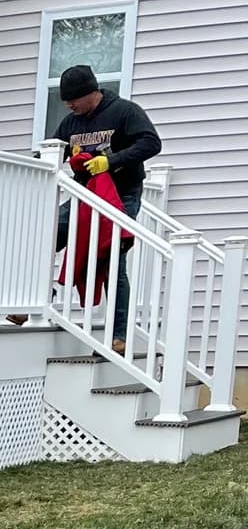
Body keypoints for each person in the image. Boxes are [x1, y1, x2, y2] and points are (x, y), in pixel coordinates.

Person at [51, 63, 162, 346]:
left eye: (73, 99)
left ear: (91, 92)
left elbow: (151, 143)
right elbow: (50, 151)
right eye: (65, 100)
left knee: (113, 259)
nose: (69, 105)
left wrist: (111, 161)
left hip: (121, 195)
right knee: (46, 235)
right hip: (83, 195)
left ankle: (118, 335)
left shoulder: (124, 111)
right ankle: (40, 295)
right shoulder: (71, 123)